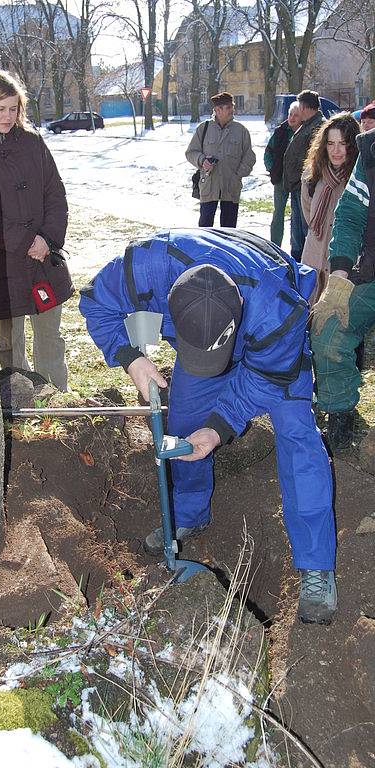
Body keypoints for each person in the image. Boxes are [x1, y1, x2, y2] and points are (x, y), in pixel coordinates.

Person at [80, 228, 337, 624]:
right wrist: (130, 358)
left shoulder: (278, 310)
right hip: (207, 314)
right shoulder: (148, 266)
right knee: (183, 426)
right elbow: (95, 301)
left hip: (272, 347)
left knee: (297, 433)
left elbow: (267, 379)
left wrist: (220, 426)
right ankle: (189, 513)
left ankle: (316, 565)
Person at [0, 68, 69, 390]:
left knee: (50, 340)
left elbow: (55, 194)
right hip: (4, 265)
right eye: (0, 109)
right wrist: (27, 240)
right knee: (10, 345)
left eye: (14, 108)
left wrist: (48, 239)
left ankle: (59, 403)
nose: (8, 116)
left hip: (44, 261)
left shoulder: (32, 142)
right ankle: (23, 408)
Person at [310, 125, 375, 450]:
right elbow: (349, 215)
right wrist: (339, 276)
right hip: (371, 272)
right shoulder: (371, 151)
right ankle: (339, 425)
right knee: (327, 330)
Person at [301, 113, 360, 303]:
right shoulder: (312, 177)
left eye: (342, 143)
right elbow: (308, 213)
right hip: (313, 258)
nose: (336, 150)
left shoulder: (358, 181)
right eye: (331, 143)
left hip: (342, 265)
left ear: (352, 146)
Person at [185, 92, 255, 228]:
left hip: (230, 186)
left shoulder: (241, 131)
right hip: (209, 185)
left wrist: (238, 174)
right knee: (205, 228)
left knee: (229, 230)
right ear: (217, 110)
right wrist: (202, 160)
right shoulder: (203, 128)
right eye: (228, 107)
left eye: (232, 107)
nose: (232, 110)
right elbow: (190, 152)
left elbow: (249, 156)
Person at [283, 90, 325, 262]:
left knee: (305, 230)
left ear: (304, 106)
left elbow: (313, 159)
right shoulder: (307, 124)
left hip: (307, 187)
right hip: (297, 185)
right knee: (297, 231)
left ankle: (304, 263)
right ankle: (298, 260)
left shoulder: (318, 127)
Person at [264, 101, 302, 246]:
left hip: (297, 181)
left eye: (296, 115)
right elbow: (268, 152)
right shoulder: (280, 131)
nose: (292, 118)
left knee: (297, 215)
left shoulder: (305, 132)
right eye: (290, 114)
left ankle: (296, 248)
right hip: (280, 178)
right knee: (278, 213)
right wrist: (271, 168)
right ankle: (274, 246)